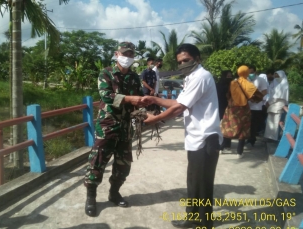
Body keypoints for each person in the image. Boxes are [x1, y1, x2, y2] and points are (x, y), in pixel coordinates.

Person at [143, 43, 222, 228]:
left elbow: (179, 108)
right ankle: (192, 219)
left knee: (203, 185)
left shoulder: (201, 76)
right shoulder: (191, 77)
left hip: (205, 139)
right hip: (196, 140)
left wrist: (155, 119)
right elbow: (177, 101)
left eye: (186, 60)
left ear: (197, 59)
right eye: (180, 61)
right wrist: (154, 99)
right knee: (194, 182)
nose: (183, 64)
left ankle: (204, 224)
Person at [84, 42, 148, 217]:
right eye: (124, 53)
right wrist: (130, 99)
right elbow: (106, 96)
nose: (127, 57)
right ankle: (91, 197)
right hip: (108, 126)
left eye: (130, 54)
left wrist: (146, 106)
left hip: (126, 127)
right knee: (97, 161)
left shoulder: (134, 78)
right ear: (116, 54)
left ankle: (114, 193)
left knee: (123, 164)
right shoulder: (106, 73)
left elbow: (140, 98)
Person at [220, 65, 258, 158]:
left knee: (228, 126)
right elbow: (257, 97)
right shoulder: (249, 84)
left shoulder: (233, 83)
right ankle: (239, 152)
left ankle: (222, 148)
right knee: (243, 130)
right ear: (247, 73)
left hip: (231, 108)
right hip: (243, 109)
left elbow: (228, 95)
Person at [246, 65, 268, 147]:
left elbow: (265, 91)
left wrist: (256, 99)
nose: (250, 74)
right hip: (247, 105)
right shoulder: (246, 80)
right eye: (248, 73)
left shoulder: (261, 80)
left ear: (255, 72)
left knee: (253, 124)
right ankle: (248, 139)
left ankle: (251, 140)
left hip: (256, 106)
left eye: (251, 73)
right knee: (247, 124)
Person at [264, 70, 289, 141]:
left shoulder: (284, 85)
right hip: (272, 106)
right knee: (270, 122)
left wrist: (269, 102)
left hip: (278, 105)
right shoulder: (276, 84)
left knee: (276, 122)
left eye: (278, 76)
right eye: (275, 76)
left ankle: (274, 138)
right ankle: (268, 137)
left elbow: (277, 97)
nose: (276, 78)